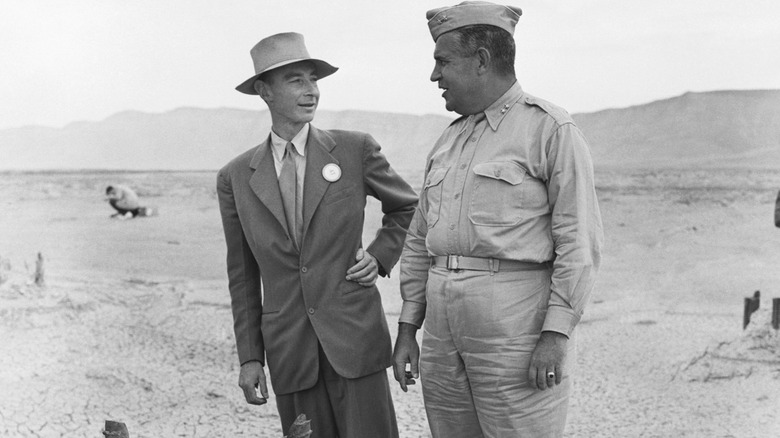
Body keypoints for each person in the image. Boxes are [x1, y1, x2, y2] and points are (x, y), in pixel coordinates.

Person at [391, 2, 604, 437]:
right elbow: (418, 241)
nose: (435, 76)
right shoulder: (448, 140)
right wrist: (408, 327)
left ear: (482, 61)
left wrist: (556, 335)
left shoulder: (550, 130)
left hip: (515, 334)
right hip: (441, 334)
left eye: (443, 61)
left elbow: (579, 242)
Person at [216, 32, 417, 437]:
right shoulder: (235, 177)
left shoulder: (353, 150)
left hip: (355, 342)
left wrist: (379, 255)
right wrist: (250, 357)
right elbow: (242, 275)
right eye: (296, 80)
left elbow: (409, 207)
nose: (312, 91)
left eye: (313, 79)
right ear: (263, 91)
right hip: (290, 353)